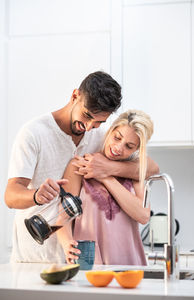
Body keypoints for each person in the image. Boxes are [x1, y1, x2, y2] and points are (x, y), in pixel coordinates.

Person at [4, 71, 159, 263]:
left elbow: (151, 168)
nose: (88, 127)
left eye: (99, 122)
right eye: (86, 116)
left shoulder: (102, 138)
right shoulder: (33, 133)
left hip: (76, 256)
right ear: (75, 96)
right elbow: (11, 196)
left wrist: (108, 169)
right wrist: (36, 195)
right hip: (35, 253)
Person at [57, 109, 153, 265]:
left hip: (129, 264)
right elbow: (63, 216)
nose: (118, 148)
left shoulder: (134, 171)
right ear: (110, 131)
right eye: (117, 138)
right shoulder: (80, 165)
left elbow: (143, 215)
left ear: (136, 149)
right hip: (89, 261)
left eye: (129, 146)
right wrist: (67, 243)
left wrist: (106, 176)